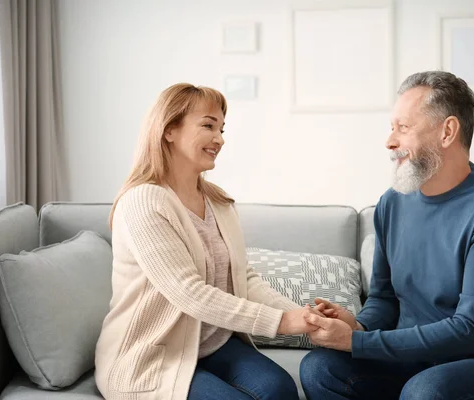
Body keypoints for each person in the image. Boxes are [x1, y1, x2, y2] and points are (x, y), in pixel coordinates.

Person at [299, 71, 474, 400]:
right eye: (392, 127)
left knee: (426, 392)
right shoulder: (392, 203)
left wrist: (357, 342)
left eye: (403, 128)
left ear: (447, 131)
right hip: (419, 360)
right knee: (320, 368)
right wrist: (358, 327)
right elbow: (384, 299)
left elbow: (471, 330)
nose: (390, 141)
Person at [95, 83, 322, 400]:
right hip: (152, 356)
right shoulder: (143, 202)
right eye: (208, 125)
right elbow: (188, 293)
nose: (220, 138)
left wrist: (308, 317)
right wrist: (282, 322)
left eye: (222, 128)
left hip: (212, 344)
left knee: (280, 390)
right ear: (169, 130)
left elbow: (242, 279)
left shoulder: (219, 202)